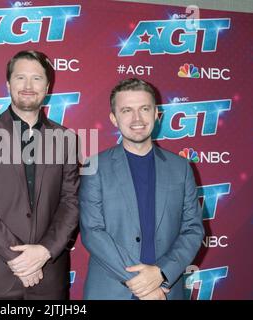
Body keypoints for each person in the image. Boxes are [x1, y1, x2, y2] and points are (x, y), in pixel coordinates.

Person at [0, 50, 79, 300]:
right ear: (8, 83)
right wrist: (18, 258)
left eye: (36, 78)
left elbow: (71, 201)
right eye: (20, 77)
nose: (27, 86)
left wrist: (45, 251)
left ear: (47, 86)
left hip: (48, 276)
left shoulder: (66, 139)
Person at [79, 78, 204, 300]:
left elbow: (193, 230)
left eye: (144, 109)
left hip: (166, 289)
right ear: (114, 119)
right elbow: (92, 232)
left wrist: (161, 273)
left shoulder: (181, 167)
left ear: (157, 114)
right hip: (111, 291)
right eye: (126, 110)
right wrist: (143, 284)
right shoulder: (94, 166)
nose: (137, 118)